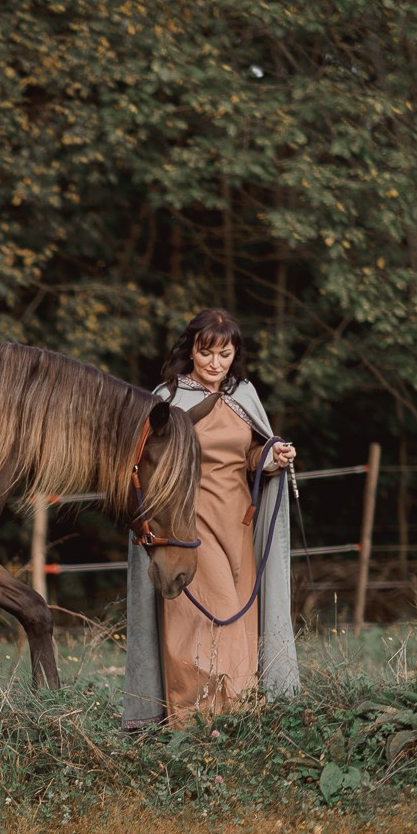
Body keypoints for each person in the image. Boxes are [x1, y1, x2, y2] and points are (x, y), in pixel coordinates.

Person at [124, 308, 299, 729]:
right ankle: (193, 719)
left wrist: (271, 457)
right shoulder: (165, 400)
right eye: (207, 353)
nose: (215, 363)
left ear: (234, 354)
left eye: (224, 353)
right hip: (186, 522)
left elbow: (250, 455)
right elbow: (147, 461)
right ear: (191, 352)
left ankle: (239, 716)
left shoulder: (244, 397)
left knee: (238, 618)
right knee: (197, 617)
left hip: (237, 522)